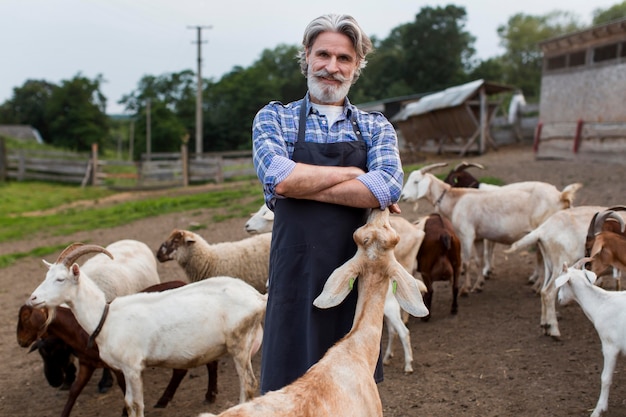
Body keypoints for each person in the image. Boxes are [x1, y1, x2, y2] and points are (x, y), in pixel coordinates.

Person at [252, 13, 404, 393]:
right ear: (306, 56)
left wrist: (301, 182)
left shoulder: (375, 126)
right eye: (323, 55)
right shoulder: (275, 118)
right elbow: (279, 178)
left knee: (349, 394)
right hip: (295, 281)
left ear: (357, 67)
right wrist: (355, 176)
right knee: (288, 394)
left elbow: (386, 186)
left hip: (355, 283)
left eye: (344, 59)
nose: (331, 68)